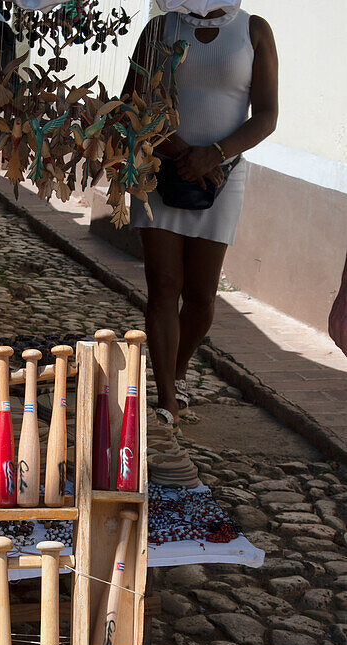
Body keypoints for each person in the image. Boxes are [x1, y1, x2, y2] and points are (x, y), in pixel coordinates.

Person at [124, 0, 278, 429]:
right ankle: (167, 398)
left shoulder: (255, 32)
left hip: (224, 177)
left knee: (201, 298)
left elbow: (267, 115)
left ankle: (176, 369)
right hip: (159, 171)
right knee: (164, 287)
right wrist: (180, 153)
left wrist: (214, 155)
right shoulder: (160, 28)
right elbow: (130, 102)